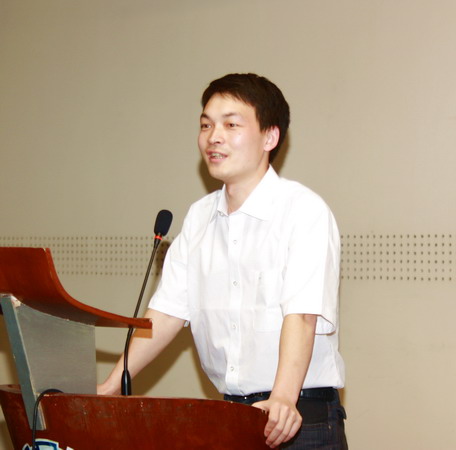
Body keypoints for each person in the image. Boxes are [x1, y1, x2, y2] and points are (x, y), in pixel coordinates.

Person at [98, 73, 348, 449]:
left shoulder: (303, 211)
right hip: (230, 417)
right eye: (206, 125)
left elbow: (302, 315)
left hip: (297, 417)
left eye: (231, 125)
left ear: (270, 137)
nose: (213, 137)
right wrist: (111, 386)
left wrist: (283, 397)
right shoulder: (199, 218)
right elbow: (165, 314)